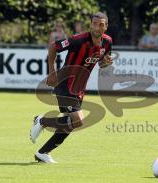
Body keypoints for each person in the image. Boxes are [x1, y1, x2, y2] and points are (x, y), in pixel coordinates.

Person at [30, 12, 113, 163]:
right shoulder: (78, 40)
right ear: (90, 24)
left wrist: (106, 62)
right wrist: (52, 72)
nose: (97, 27)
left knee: (69, 123)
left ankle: (43, 152)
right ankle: (42, 121)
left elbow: (101, 62)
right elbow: (53, 47)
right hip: (65, 84)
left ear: (106, 27)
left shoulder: (107, 42)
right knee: (78, 120)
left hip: (79, 88)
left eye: (101, 24)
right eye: (94, 23)